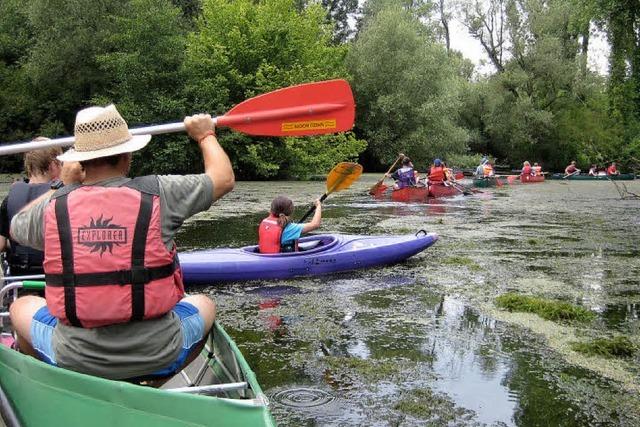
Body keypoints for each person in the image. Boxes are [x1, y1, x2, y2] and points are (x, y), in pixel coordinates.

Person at [8, 104, 234, 381]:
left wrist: (62, 186)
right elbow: (223, 179)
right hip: (158, 352)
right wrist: (205, 135)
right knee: (204, 304)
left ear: (79, 161)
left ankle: (63, 385)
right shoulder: (160, 193)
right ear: (127, 155)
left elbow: (17, 227)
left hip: (74, 357)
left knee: (20, 307)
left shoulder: (55, 205)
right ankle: (151, 385)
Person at [0, 142, 63, 276]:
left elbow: (1, 244)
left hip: (18, 277)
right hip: (53, 276)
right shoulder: (63, 196)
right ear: (53, 165)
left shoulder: (9, 198)